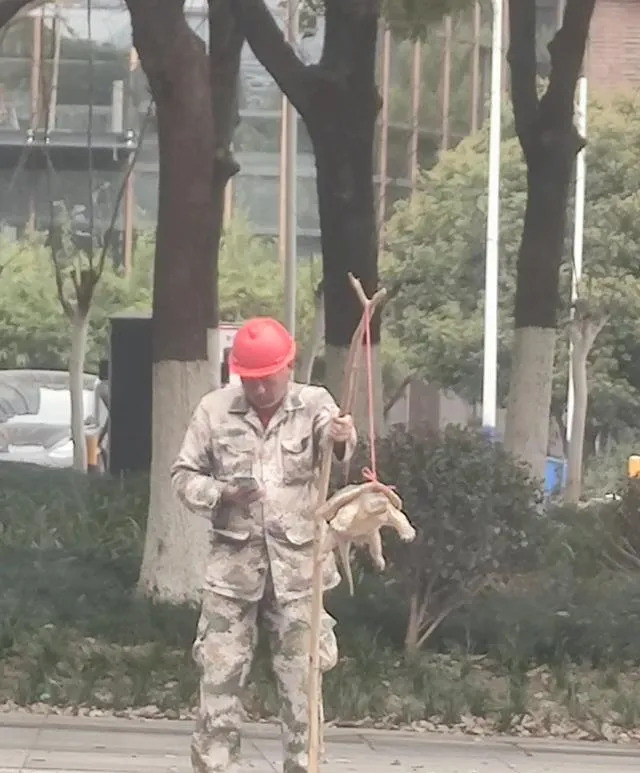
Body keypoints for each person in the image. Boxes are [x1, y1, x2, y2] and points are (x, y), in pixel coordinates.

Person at [171, 317, 356, 773]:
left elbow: (334, 448)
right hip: (232, 574)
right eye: (250, 379)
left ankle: (303, 765)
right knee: (218, 679)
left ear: (289, 366)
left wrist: (341, 439)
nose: (258, 388)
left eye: (267, 378)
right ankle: (215, 766)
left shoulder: (314, 404)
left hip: (299, 573)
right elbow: (183, 476)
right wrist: (222, 493)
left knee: (302, 684)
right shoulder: (214, 410)